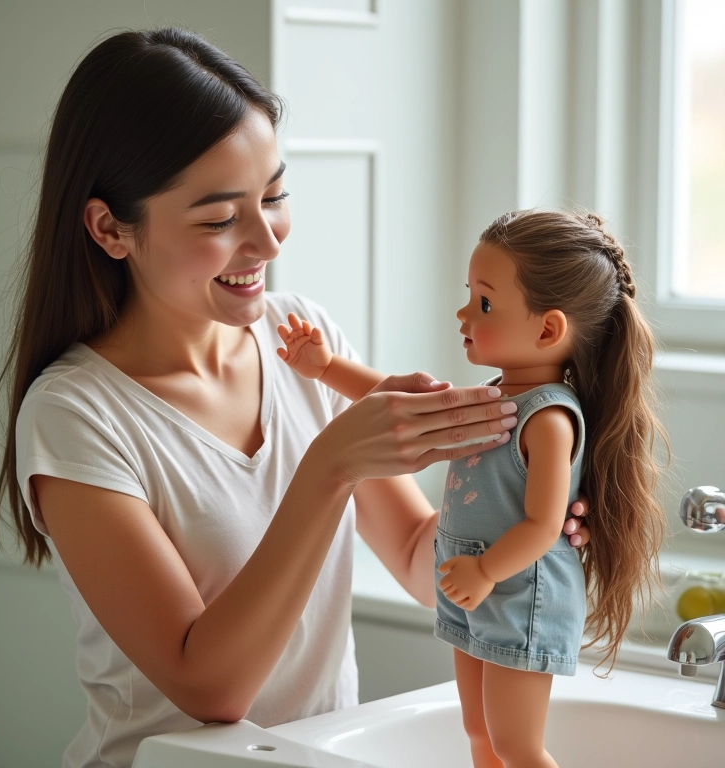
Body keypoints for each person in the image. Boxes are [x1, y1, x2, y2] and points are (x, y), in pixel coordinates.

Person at [0, 28, 591, 768]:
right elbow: (210, 686)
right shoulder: (75, 417)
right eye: (218, 219)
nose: (268, 241)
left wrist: (521, 536)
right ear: (111, 227)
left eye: (274, 195)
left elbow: (412, 555)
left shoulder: (302, 339)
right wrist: (330, 466)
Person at [277, 208, 668, 768]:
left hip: (517, 594)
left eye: (484, 303)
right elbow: (393, 404)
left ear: (548, 329)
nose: (463, 312)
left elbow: (541, 526)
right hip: (472, 585)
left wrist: (485, 571)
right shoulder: (492, 400)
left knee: (517, 745)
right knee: (479, 735)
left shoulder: (548, 420)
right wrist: (324, 367)